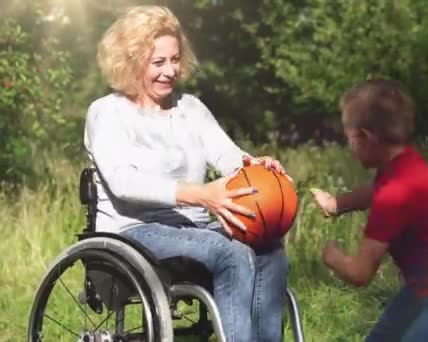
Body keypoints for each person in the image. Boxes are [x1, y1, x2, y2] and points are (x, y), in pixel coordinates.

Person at [84, 5, 288, 342]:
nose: (170, 71)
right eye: (158, 62)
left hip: (191, 225)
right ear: (132, 61)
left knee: (268, 242)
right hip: (134, 230)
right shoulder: (107, 113)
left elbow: (226, 155)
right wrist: (199, 194)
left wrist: (255, 167)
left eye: (175, 59)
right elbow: (123, 183)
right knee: (229, 251)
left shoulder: (190, 108)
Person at [311, 79, 428, 341]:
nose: (349, 147)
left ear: (367, 137)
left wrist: (333, 257)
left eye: (350, 138)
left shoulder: (394, 196)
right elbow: (373, 190)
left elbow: (360, 273)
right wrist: (337, 204)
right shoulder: (402, 164)